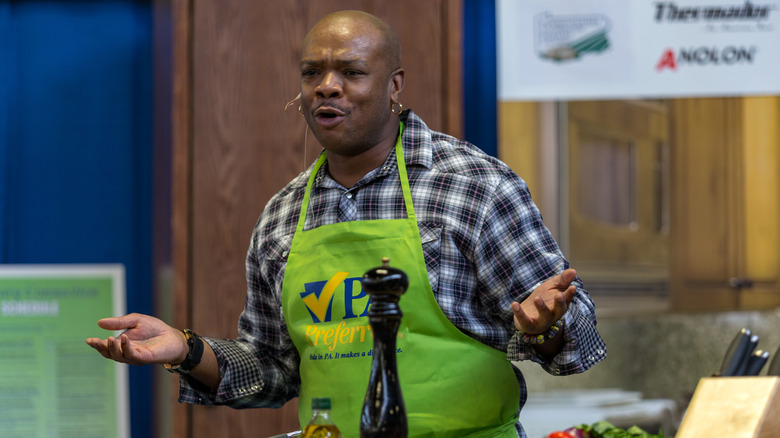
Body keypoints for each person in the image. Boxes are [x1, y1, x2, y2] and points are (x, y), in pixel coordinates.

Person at [87, 10, 606, 437]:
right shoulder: (283, 216)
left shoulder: (474, 186)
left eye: (352, 72)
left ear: (393, 84)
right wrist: (187, 349)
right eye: (312, 73)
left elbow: (580, 340)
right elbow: (272, 370)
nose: (326, 88)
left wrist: (548, 329)